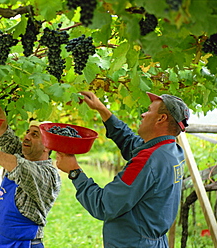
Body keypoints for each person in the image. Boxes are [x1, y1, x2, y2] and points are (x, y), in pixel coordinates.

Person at [56, 91, 190, 248]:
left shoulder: (146, 161)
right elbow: (130, 142)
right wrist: (102, 109)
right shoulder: (172, 151)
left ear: (161, 118)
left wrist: (74, 171)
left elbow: (104, 205)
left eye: (148, 110)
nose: (143, 115)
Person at [0, 89, 61, 248]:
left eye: (35, 135)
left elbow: (23, 169)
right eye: (28, 132)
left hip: (21, 245)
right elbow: (3, 131)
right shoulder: (20, 154)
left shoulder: (49, 175)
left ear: (48, 146)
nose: (26, 136)